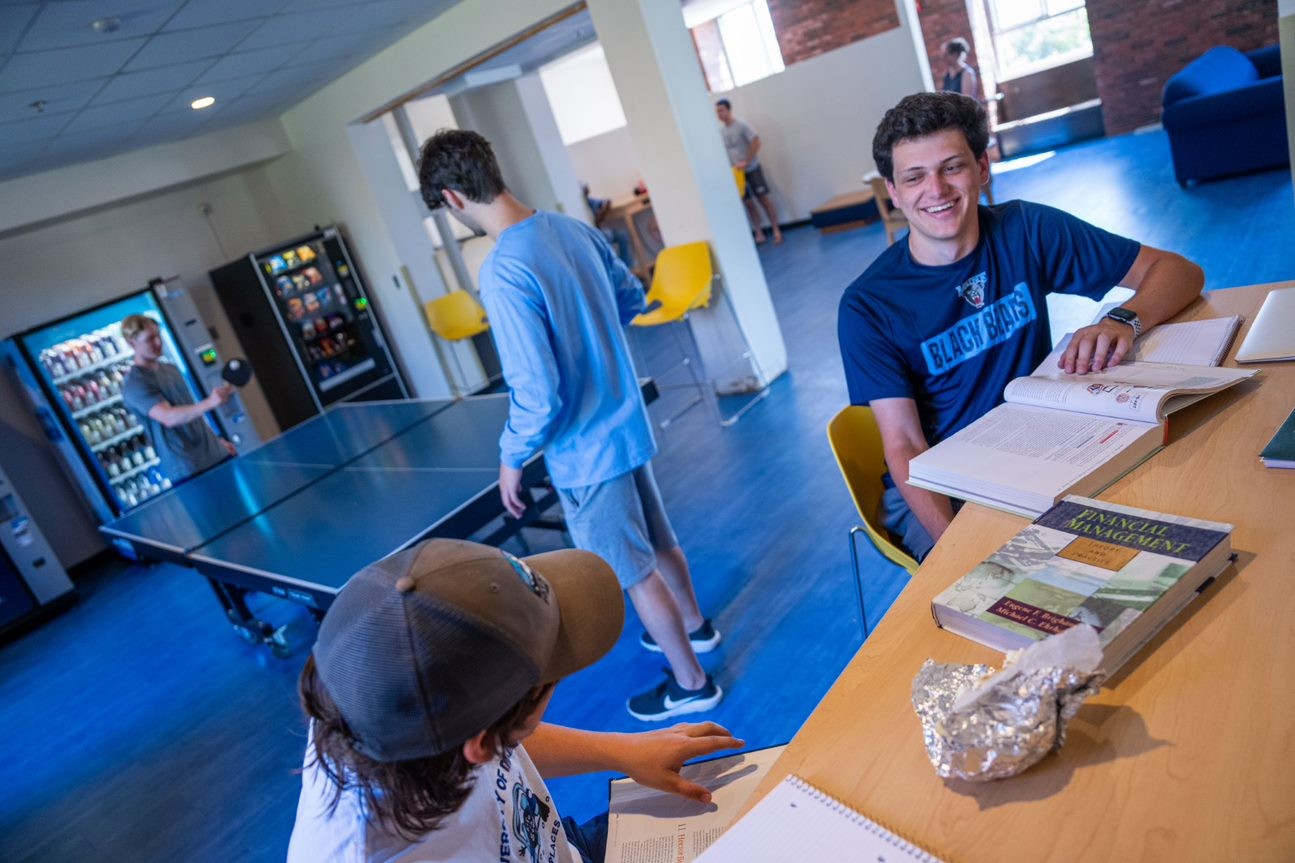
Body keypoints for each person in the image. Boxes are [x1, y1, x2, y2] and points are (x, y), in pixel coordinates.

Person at [416, 130, 724, 722]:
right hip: (628, 427)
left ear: (454, 198)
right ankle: (696, 627)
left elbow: (537, 393)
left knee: (633, 573)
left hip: (585, 453)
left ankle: (691, 682)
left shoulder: (503, 271)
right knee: (659, 543)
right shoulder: (572, 228)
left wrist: (511, 457)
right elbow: (632, 298)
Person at [837, 92, 1203, 562]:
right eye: (914, 176)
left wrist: (1122, 320)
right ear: (894, 191)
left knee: (1166, 522)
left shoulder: (1026, 229)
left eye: (952, 167)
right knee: (1036, 590)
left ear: (982, 167)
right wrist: (962, 555)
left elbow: (1180, 272)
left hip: (1046, 445)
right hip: (947, 483)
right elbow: (905, 445)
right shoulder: (868, 305)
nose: (936, 190)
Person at [285, 538, 743, 862]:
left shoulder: (361, 692)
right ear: (479, 743)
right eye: (551, 678)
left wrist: (624, 751)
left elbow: (505, 740)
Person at [120, 313, 236, 482]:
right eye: (150, 339)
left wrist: (216, 441)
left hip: (216, 454)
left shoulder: (171, 369)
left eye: (158, 335)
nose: (158, 342)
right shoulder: (135, 383)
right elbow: (168, 417)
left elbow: (192, 413)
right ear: (132, 343)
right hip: (188, 468)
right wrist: (210, 402)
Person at [715, 98, 782, 245]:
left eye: (721, 110)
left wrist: (748, 160)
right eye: (717, 111)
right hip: (737, 174)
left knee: (763, 199)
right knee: (748, 203)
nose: (719, 114)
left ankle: (776, 230)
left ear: (728, 110)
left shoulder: (741, 125)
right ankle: (759, 232)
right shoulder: (721, 132)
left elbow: (756, 141)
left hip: (752, 169)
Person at [582, 182, 635, 270]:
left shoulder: (588, 201)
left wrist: (601, 212)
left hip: (599, 230)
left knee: (623, 235)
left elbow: (605, 202)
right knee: (608, 235)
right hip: (592, 235)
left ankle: (626, 269)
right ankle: (615, 270)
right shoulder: (576, 205)